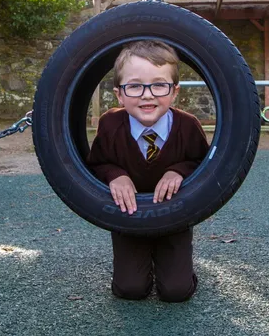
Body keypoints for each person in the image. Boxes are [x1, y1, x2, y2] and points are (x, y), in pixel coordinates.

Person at [86, 40, 210, 302]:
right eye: (134, 85)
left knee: (177, 291)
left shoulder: (188, 126)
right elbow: (95, 164)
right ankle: (141, 265)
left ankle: (178, 269)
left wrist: (178, 171)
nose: (147, 94)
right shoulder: (110, 124)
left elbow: (206, 166)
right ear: (119, 94)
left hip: (174, 217)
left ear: (175, 91)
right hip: (128, 218)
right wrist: (115, 175)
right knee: (130, 289)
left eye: (158, 84)